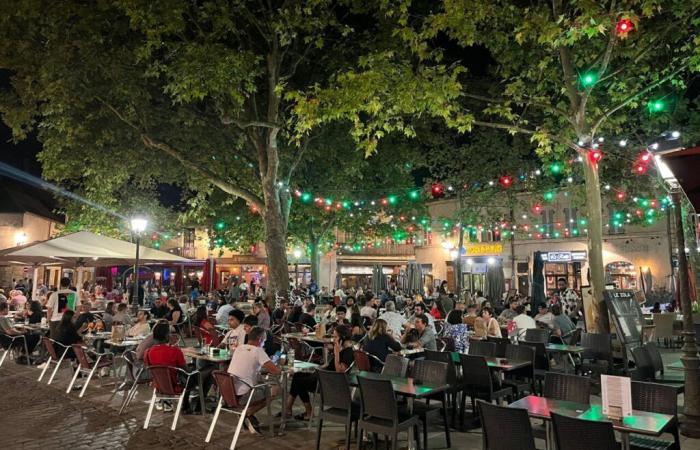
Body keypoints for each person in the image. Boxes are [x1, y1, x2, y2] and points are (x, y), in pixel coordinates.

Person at [285, 325, 354, 420]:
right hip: (323, 375)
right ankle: (288, 409)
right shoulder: (342, 349)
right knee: (297, 375)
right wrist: (316, 367)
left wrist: (337, 352)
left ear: (342, 338)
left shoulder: (348, 353)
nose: (333, 339)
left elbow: (339, 372)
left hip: (329, 382)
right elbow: (329, 365)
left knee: (299, 382)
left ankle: (308, 412)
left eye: (335, 336)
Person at [227, 326, 281, 432]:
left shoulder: (239, 348)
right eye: (264, 341)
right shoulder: (258, 351)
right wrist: (280, 364)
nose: (264, 343)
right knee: (274, 389)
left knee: (262, 385)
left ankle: (247, 414)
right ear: (260, 339)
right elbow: (275, 371)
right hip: (244, 395)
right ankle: (247, 413)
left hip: (229, 393)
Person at [144, 323, 200, 414]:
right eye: (170, 333)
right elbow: (186, 371)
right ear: (167, 336)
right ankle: (192, 404)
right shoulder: (175, 351)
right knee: (198, 375)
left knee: (191, 374)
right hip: (175, 385)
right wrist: (195, 371)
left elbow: (151, 370)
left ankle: (186, 404)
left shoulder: (148, 352)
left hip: (159, 385)